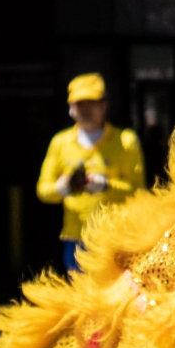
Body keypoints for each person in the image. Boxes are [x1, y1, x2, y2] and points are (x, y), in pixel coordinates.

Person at [37, 74, 144, 275]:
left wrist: (108, 186)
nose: (85, 109)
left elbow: (139, 192)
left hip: (117, 238)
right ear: (71, 107)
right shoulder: (60, 142)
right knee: (82, 301)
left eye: (92, 103)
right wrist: (60, 188)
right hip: (75, 238)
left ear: (104, 106)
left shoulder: (126, 141)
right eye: (80, 103)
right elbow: (43, 190)